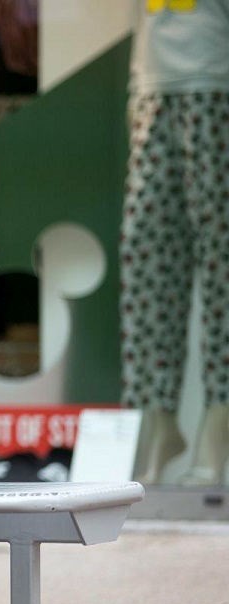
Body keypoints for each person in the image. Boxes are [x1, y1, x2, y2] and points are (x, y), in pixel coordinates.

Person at [119, 0, 229, 486]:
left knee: (222, 266)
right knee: (146, 264)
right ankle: (160, 420)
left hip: (216, 89)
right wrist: (135, 89)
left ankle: (219, 419)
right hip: (152, 90)